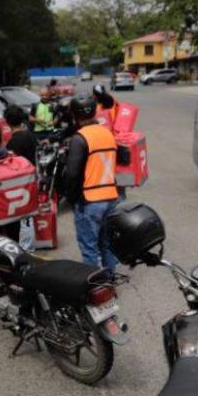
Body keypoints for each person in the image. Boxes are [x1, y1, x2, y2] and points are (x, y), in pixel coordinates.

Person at [62, 95, 120, 274]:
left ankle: (95, 289)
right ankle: (109, 281)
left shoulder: (80, 138)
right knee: (107, 244)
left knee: (89, 249)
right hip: (111, 197)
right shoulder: (108, 133)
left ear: (74, 115)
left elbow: (72, 174)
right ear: (95, 111)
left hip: (89, 200)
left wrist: (72, 199)